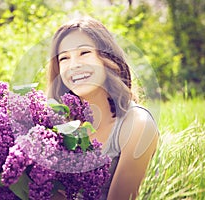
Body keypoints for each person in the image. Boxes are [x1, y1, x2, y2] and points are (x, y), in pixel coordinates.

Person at [47, 16, 159, 200]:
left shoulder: (137, 124)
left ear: (106, 58)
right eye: (64, 58)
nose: (74, 65)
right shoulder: (56, 127)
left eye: (84, 53)